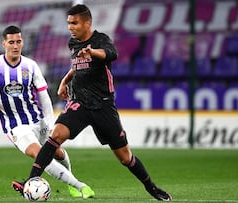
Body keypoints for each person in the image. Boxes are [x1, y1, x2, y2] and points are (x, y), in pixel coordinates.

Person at [12, 4, 172, 201]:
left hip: (103, 106)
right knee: (55, 136)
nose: (70, 27)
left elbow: (111, 54)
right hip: (79, 103)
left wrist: (93, 52)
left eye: (74, 23)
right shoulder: (73, 43)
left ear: (87, 22)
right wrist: (65, 81)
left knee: (125, 157)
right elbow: (77, 67)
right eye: (68, 23)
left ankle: (151, 188)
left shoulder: (101, 40)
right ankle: (30, 181)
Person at [0, 25, 94, 198]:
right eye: (11, 42)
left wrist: (51, 124)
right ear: (3, 43)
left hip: (38, 120)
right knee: (40, 154)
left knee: (57, 152)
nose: (15, 46)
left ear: (22, 43)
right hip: (15, 125)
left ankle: (70, 181)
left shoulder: (31, 66)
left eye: (18, 41)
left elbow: (44, 97)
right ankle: (80, 186)